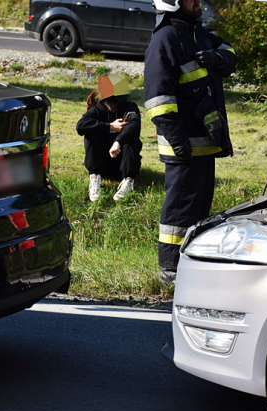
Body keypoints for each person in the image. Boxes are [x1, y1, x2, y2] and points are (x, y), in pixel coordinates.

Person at [143, 0, 237, 285]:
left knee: (199, 211)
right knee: (180, 210)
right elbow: (157, 98)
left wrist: (216, 58)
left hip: (205, 143)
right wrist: (176, 139)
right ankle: (170, 269)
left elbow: (231, 54)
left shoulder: (198, 34)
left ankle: (191, 262)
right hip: (184, 145)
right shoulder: (165, 40)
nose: (198, 2)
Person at [76, 74, 143, 202]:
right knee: (91, 133)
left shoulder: (130, 107)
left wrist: (118, 142)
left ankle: (128, 181)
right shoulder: (96, 110)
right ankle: (95, 177)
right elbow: (80, 126)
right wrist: (110, 126)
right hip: (101, 164)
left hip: (123, 163)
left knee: (132, 137)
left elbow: (135, 127)